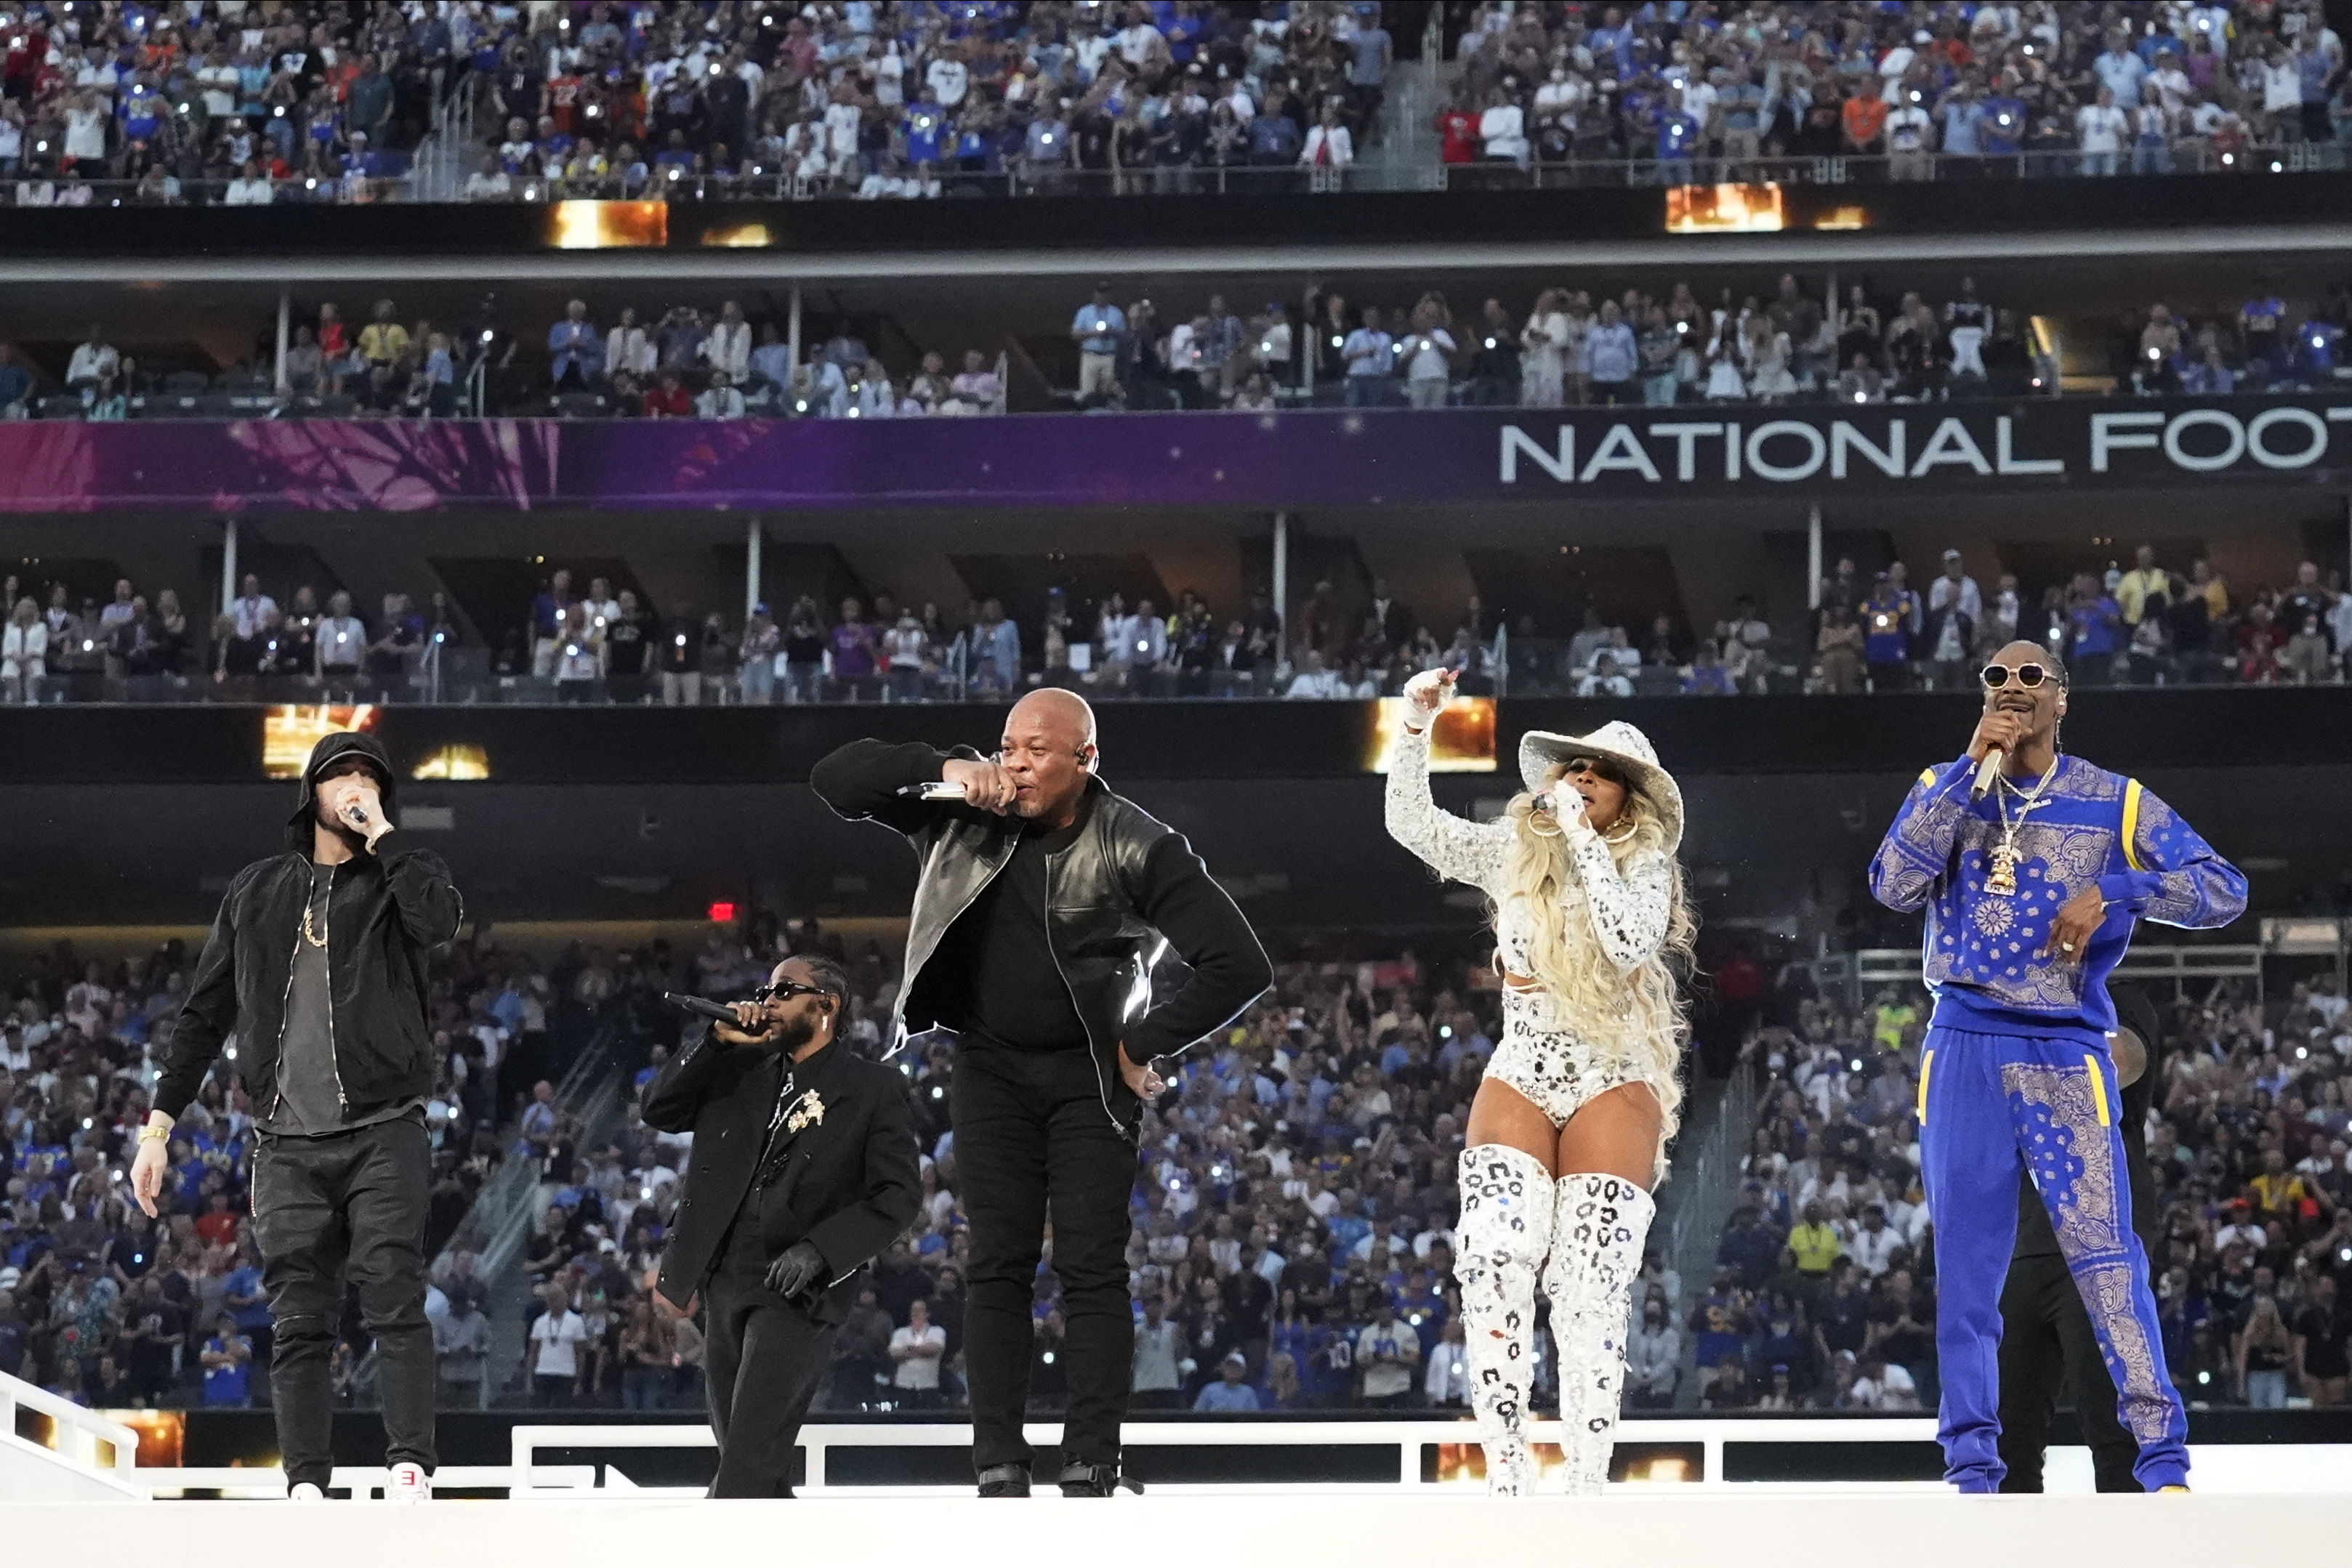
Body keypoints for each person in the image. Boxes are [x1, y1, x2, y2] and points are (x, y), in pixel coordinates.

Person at [811, 691, 1271, 1498]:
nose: (1015, 763)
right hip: (988, 1065)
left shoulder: (1135, 840)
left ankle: (1092, 1458)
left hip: (1089, 1075)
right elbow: (834, 778)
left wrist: (1141, 1040)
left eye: (1036, 750)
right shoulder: (961, 810)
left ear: (1084, 760)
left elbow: (1239, 963)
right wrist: (944, 767)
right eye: (1005, 746)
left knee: (1093, 1270)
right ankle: (997, 1462)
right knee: (995, 1266)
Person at [1869, 642, 2247, 1492]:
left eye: (2028, 677)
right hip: (1960, 1041)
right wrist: (1965, 767)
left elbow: (2221, 888)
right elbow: (1892, 884)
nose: (2010, 689)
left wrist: (2118, 890)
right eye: (1995, 678)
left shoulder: (2113, 800)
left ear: (2061, 699)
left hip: (2062, 1048)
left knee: (2106, 1256)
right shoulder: (1947, 787)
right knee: (1964, 1270)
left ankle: (2162, 1462)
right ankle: (1970, 1466)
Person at [131, 732, 462, 1503]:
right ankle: (305, 1483)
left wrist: (385, 841)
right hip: (285, 1140)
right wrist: (158, 1127)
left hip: (386, 1126)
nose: (358, 786)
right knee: (300, 1319)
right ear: (312, 789)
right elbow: (202, 1013)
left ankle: (408, 1467)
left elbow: (438, 924)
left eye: (371, 779)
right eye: (344, 775)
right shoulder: (256, 890)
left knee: (392, 1294)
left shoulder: (403, 878)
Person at [1386, 668, 1693, 1495]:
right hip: (1522, 1066)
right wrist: (1414, 728)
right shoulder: (1509, 853)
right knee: (1489, 1258)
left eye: (1598, 774)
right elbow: (1412, 824)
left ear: (1626, 800)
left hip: (1612, 1073)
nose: (1579, 779)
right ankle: (1507, 1468)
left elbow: (1629, 943)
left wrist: (1581, 841)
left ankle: (1588, 1480)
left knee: (1587, 1288)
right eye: (1571, 768)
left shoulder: (1647, 866)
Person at [642, 953, 920, 1498]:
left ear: (826, 1006)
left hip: (796, 1284)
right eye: (765, 990)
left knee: (746, 1459)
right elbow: (658, 1109)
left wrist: (821, 1251)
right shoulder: (737, 1068)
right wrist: (715, 1041)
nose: (767, 1001)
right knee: (754, 1462)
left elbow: (899, 1195)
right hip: (722, 1274)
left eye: (784, 990)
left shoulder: (870, 1087)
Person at [1997, 982, 2162, 1493]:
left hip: (2101, 1234)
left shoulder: (2112, 992)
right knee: (2004, 1440)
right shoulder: (1998, 1000)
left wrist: (2012, 1044)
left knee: (2116, 1429)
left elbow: (2115, 1061)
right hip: (2018, 1241)